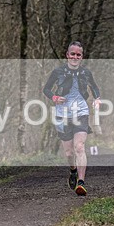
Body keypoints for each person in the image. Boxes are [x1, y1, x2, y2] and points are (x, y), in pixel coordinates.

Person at [42, 41, 101, 195]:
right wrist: (54, 97)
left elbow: (94, 88)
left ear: (82, 57)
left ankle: (81, 182)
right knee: (69, 153)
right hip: (62, 114)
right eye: (73, 54)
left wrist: (97, 99)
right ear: (67, 55)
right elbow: (46, 89)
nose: (75, 57)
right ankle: (73, 170)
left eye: (78, 55)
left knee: (79, 147)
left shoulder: (86, 73)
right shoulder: (58, 72)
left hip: (81, 112)